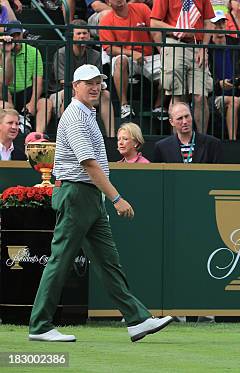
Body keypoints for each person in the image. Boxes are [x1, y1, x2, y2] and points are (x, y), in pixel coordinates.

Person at [28, 64, 173, 342]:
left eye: (98, 82)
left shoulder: (88, 114)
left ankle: (137, 320)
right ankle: (40, 326)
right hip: (76, 194)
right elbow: (89, 164)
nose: (95, 87)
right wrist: (116, 198)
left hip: (87, 196)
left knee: (109, 262)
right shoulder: (75, 117)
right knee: (60, 261)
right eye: (88, 82)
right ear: (75, 87)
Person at [36, 19, 115, 136]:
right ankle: (67, 135)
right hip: (59, 93)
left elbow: (98, 81)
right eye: (78, 34)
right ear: (72, 36)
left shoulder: (96, 55)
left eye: (85, 33)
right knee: (70, 93)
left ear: (89, 36)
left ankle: (111, 136)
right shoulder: (62, 53)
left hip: (86, 91)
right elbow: (64, 82)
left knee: (106, 95)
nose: (82, 36)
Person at [151, 0, 216, 134]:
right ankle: (178, 141)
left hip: (197, 45)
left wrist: (204, 48)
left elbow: (208, 22)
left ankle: (202, 139)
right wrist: (177, 30)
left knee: (200, 95)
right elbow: (154, 23)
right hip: (175, 42)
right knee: (177, 94)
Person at [99, 0, 163, 119]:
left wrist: (163, 51)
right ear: (108, 3)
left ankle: (158, 106)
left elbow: (154, 31)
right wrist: (132, 53)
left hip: (148, 57)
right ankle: (124, 106)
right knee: (120, 60)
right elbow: (109, 49)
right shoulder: (106, 20)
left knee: (170, 64)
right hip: (127, 58)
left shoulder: (141, 8)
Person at [209, 11, 240, 140]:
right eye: (216, 24)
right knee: (233, 101)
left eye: (222, 23)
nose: (219, 27)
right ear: (210, 27)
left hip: (239, 92)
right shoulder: (206, 48)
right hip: (216, 95)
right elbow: (203, 77)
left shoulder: (235, 44)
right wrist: (219, 84)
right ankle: (233, 141)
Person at [2, 20, 43, 131]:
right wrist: (7, 53)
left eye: (18, 34)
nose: (16, 38)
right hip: (7, 94)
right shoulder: (1, 51)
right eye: (12, 35)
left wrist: (33, 103)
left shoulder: (33, 51)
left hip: (27, 93)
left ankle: (37, 136)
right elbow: (5, 81)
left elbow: (38, 81)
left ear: (22, 34)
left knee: (45, 103)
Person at [153, 102, 223, 163]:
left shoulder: (212, 144)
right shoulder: (162, 147)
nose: (185, 122)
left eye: (187, 116)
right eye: (180, 118)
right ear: (171, 122)